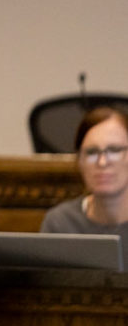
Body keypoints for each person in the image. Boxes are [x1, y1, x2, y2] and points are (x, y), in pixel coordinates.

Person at [41, 106, 128, 269]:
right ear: (79, 161)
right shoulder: (60, 223)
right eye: (92, 152)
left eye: (115, 150)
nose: (102, 162)